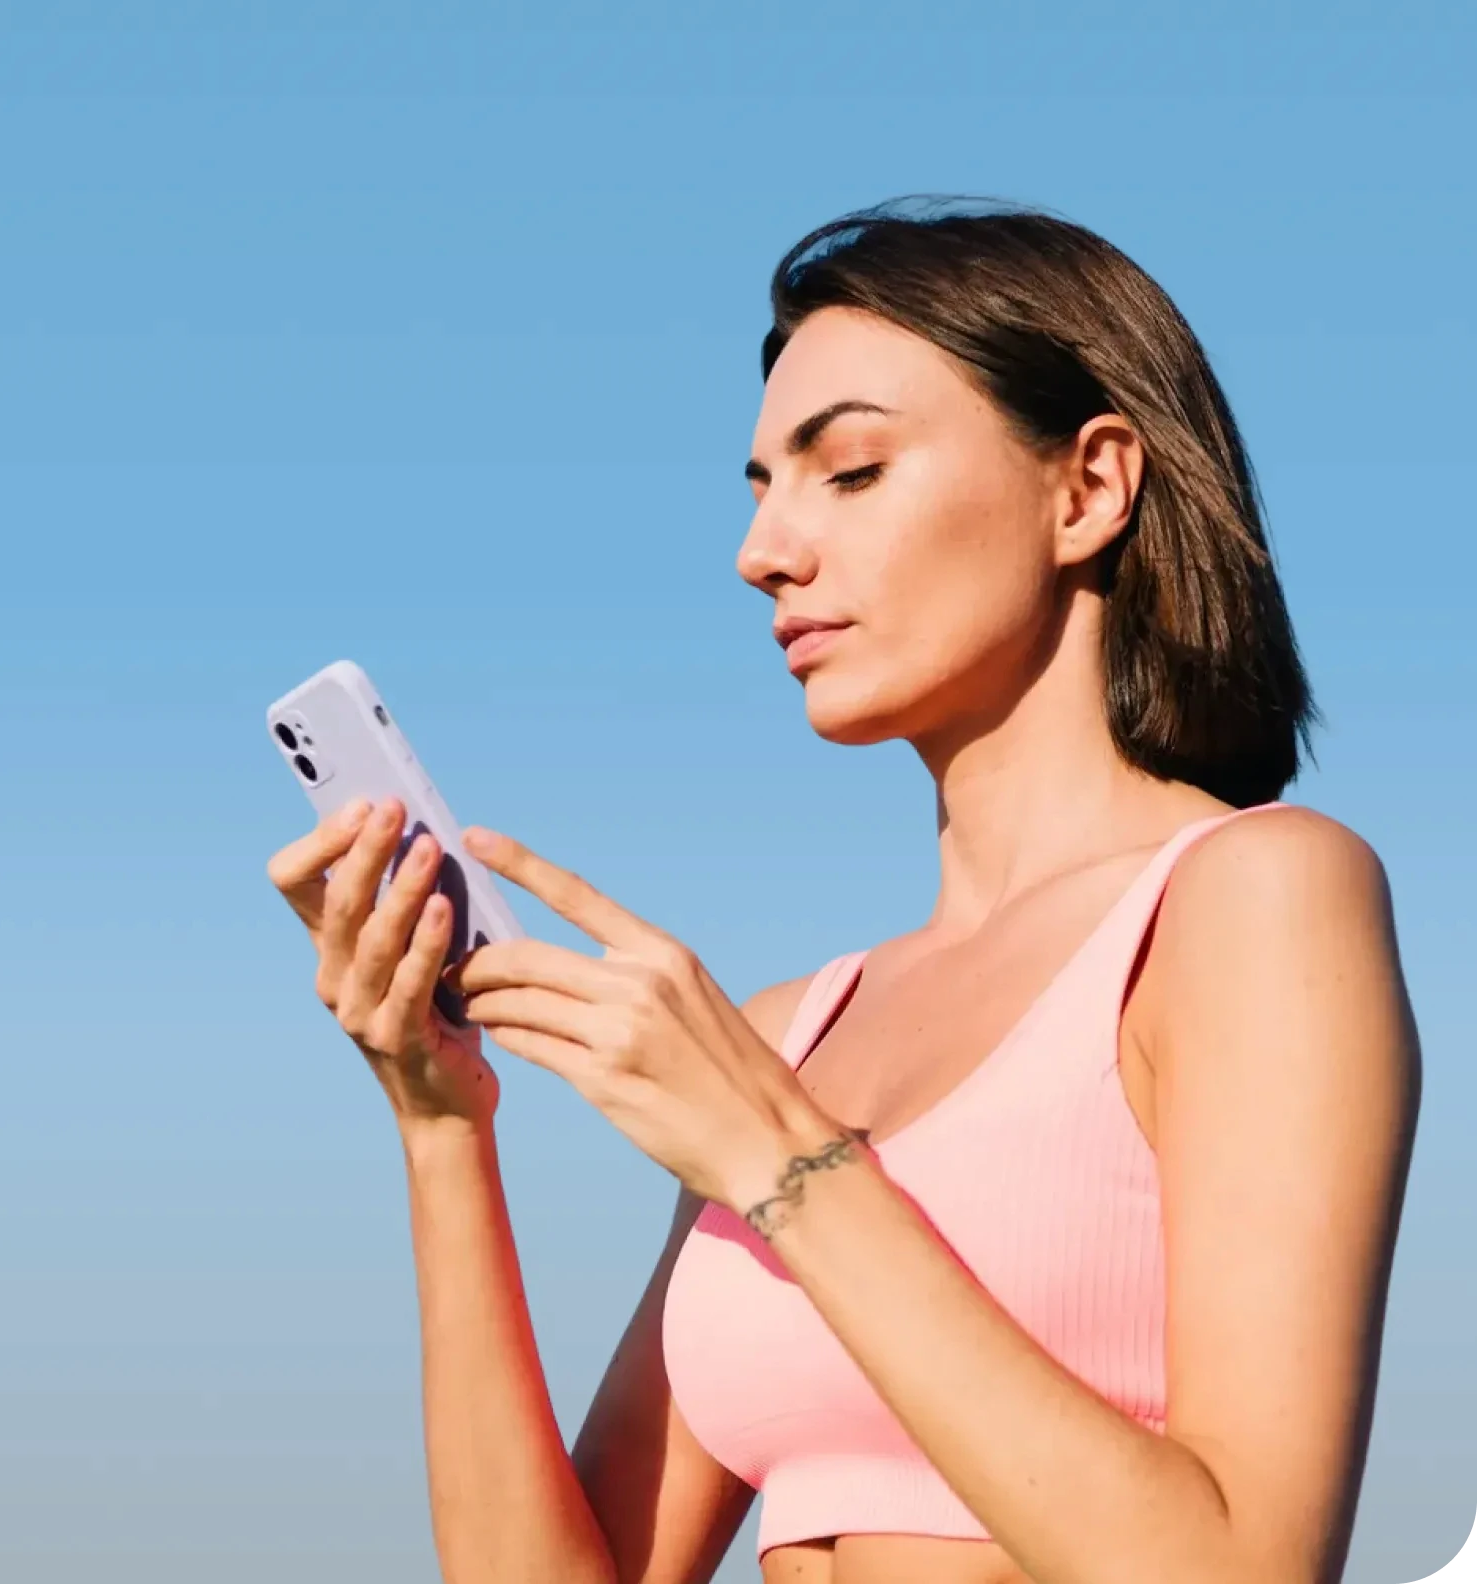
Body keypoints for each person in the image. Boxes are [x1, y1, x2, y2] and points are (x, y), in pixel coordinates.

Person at [263, 200, 1420, 1584]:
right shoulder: (788, 1031)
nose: (763, 552)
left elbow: (1243, 1570)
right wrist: (441, 1122)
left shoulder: (1250, 900)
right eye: (758, 487)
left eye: (850, 471)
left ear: (1088, 488)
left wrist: (778, 1160)